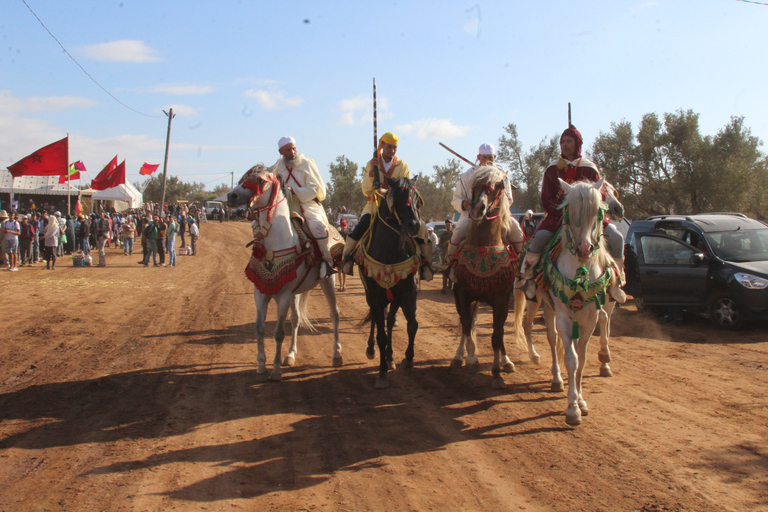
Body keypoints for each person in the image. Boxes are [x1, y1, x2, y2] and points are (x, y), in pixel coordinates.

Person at [517, 125, 625, 302]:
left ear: (577, 144)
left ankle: (616, 282)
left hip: (589, 219)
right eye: (562, 141)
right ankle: (530, 279)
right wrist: (565, 213)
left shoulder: (589, 168)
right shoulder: (552, 169)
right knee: (539, 239)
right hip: (559, 218)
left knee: (617, 237)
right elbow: (546, 197)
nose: (564, 144)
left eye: (569, 141)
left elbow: (601, 194)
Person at [341, 131, 434, 280]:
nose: (391, 151)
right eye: (389, 147)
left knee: (420, 227)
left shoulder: (402, 165)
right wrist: (372, 172)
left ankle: (426, 264)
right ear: (382, 145)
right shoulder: (372, 163)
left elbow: (405, 187)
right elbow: (366, 190)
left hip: (397, 208)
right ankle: (347, 258)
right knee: (362, 225)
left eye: (394, 148)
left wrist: (389, 191)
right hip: (374, 205)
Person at [445, 143, 524, 262]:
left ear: (495, 158)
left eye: (490, 158)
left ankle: (522, 262)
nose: (487, 161)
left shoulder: (501, 175)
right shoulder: (467, 176)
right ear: (478, 157)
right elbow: (455, 198)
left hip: (498, 215)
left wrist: (498, 204)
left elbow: (509, 198)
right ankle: (449, 261)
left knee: (516, 229)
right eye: (484, 158)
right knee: (459, 230)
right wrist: (463, 204)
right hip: (472, 214)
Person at [270, 136, 336, 278]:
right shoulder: (277, 167)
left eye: (294, 148)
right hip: (284, 206)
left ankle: (326, 260)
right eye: (288, 150)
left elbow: (316, 190)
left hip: (307, 204)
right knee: (260, 225)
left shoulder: (307, 164)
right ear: (281, 152)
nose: (292, 152)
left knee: (317, 226)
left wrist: (294, 191)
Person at [438, 219, 454, 293]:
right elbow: (440, 245)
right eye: (447, 225)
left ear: (452, 226)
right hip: (444, 255)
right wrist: (446, 243)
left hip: (452, 255)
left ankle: (450, 286)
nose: (448, 226)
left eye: (449, 225)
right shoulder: (443, 235)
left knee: (451, 270)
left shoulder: (454, 234)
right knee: (444, 271)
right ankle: (444, 287)